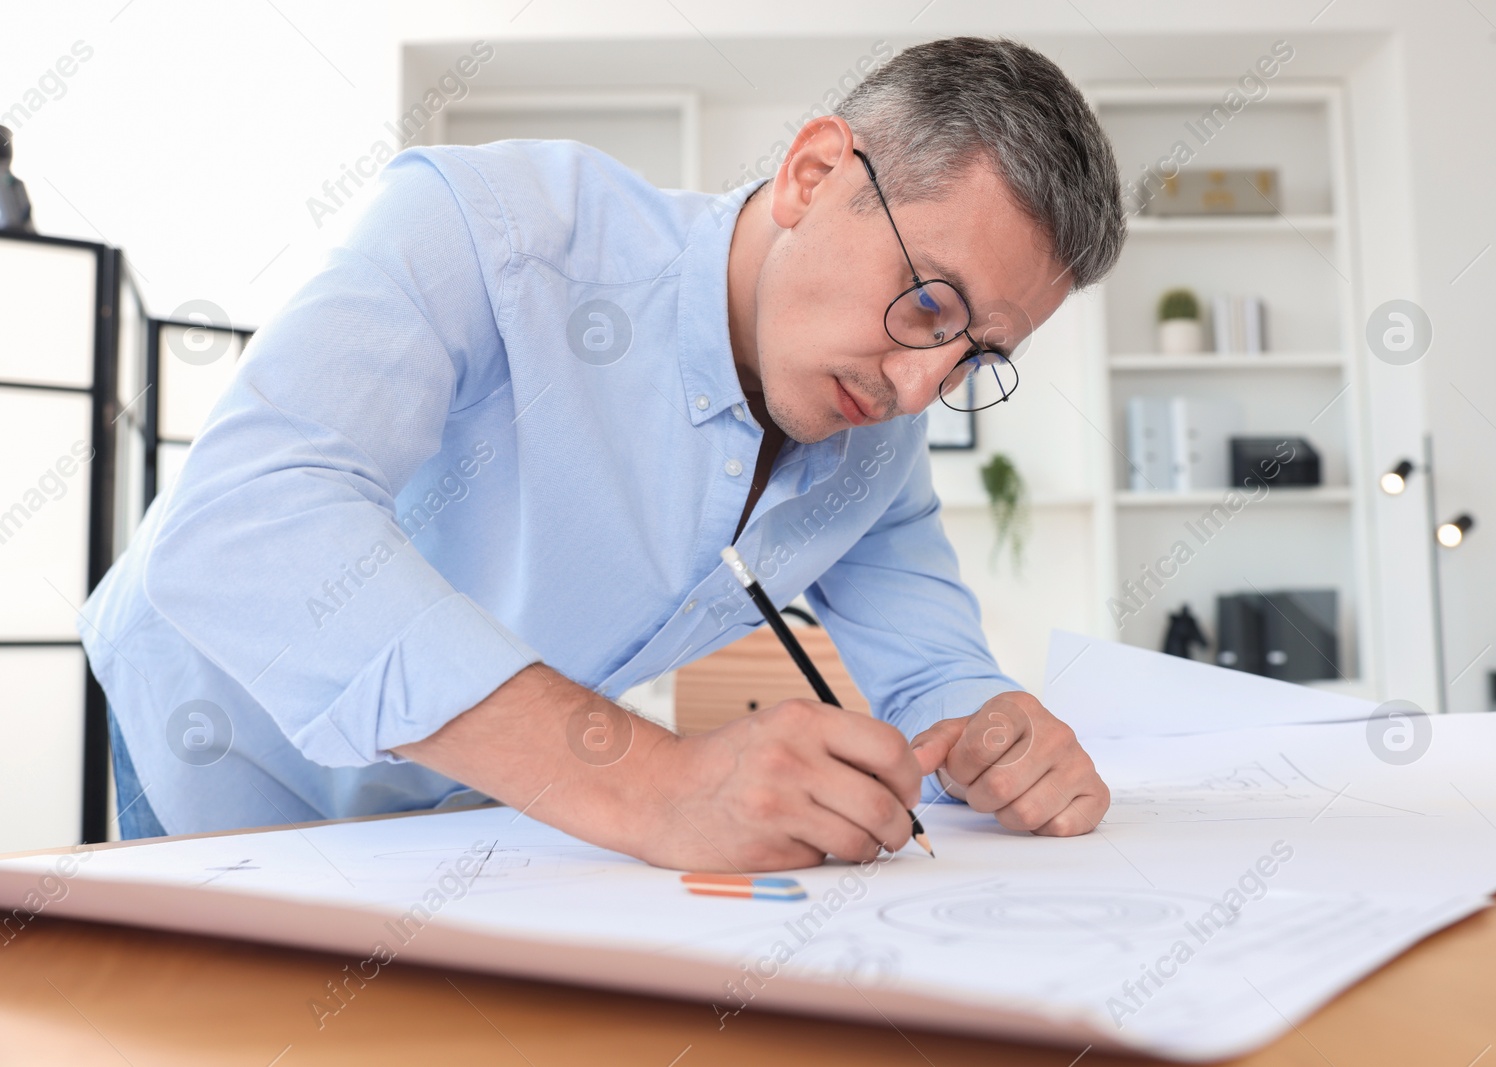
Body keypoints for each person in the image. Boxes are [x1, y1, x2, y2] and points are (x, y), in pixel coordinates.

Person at [80, 36, 1126, 871]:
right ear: (812, 174)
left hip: (473, 814)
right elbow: (242, 526)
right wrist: (653, 784)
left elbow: (936, 670)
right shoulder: (498, 231)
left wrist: (998, 738)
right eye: (927, 302)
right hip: (226, 754)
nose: (916, 389)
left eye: (973, 355)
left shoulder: (876, 435)